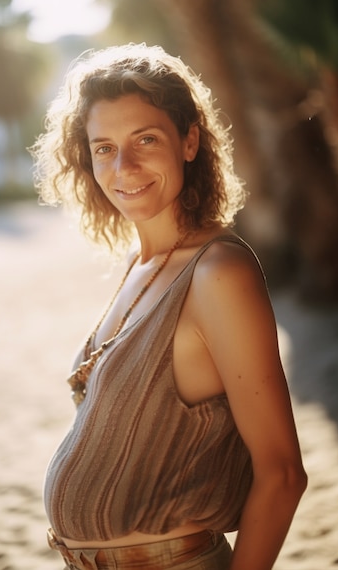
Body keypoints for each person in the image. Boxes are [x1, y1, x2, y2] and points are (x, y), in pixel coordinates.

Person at [30, 43, 307, 570]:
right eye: (104, 147)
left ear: (190, 141)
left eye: (146, 139)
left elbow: (283, 473)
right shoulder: (142, 266)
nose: (123, 166)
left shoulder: (218, 273)